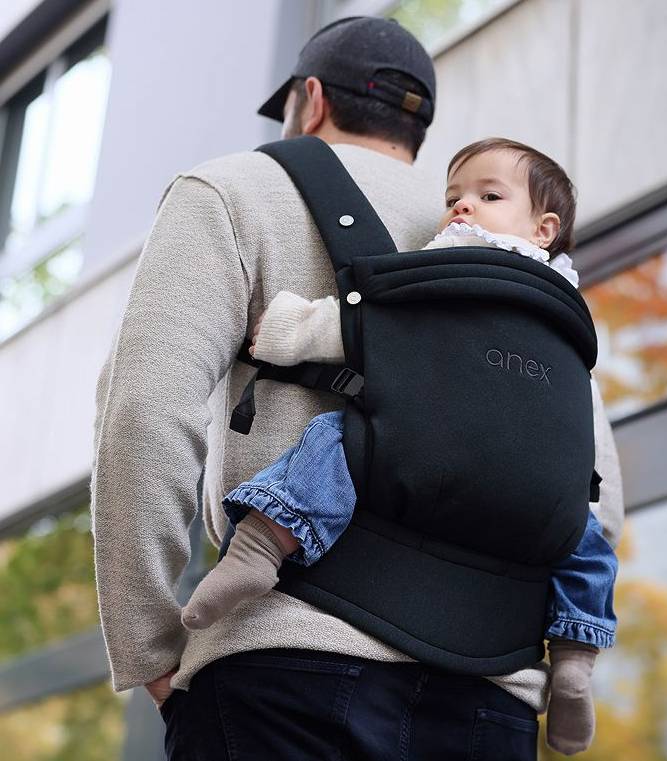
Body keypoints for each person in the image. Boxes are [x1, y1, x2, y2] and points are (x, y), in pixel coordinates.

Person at [92, 16, 624, 761]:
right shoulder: (519, 258)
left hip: (285, 666)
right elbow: (595, 497)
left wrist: (149, 647)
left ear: (310, 101)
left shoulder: (235, 188)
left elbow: (145, 412)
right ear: (418, 130)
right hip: (493, 696)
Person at [179, 136, 618, 755]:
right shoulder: (568, 323)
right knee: (586, 533)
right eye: (454, 196)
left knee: (335, 440)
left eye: (489, 196)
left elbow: (363, 325)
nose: (462, 207)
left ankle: (264, 542)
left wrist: (279, 330)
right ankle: (574, 655)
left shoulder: (446, 272)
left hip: (413, 463)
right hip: (506, 632)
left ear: (545, 228)